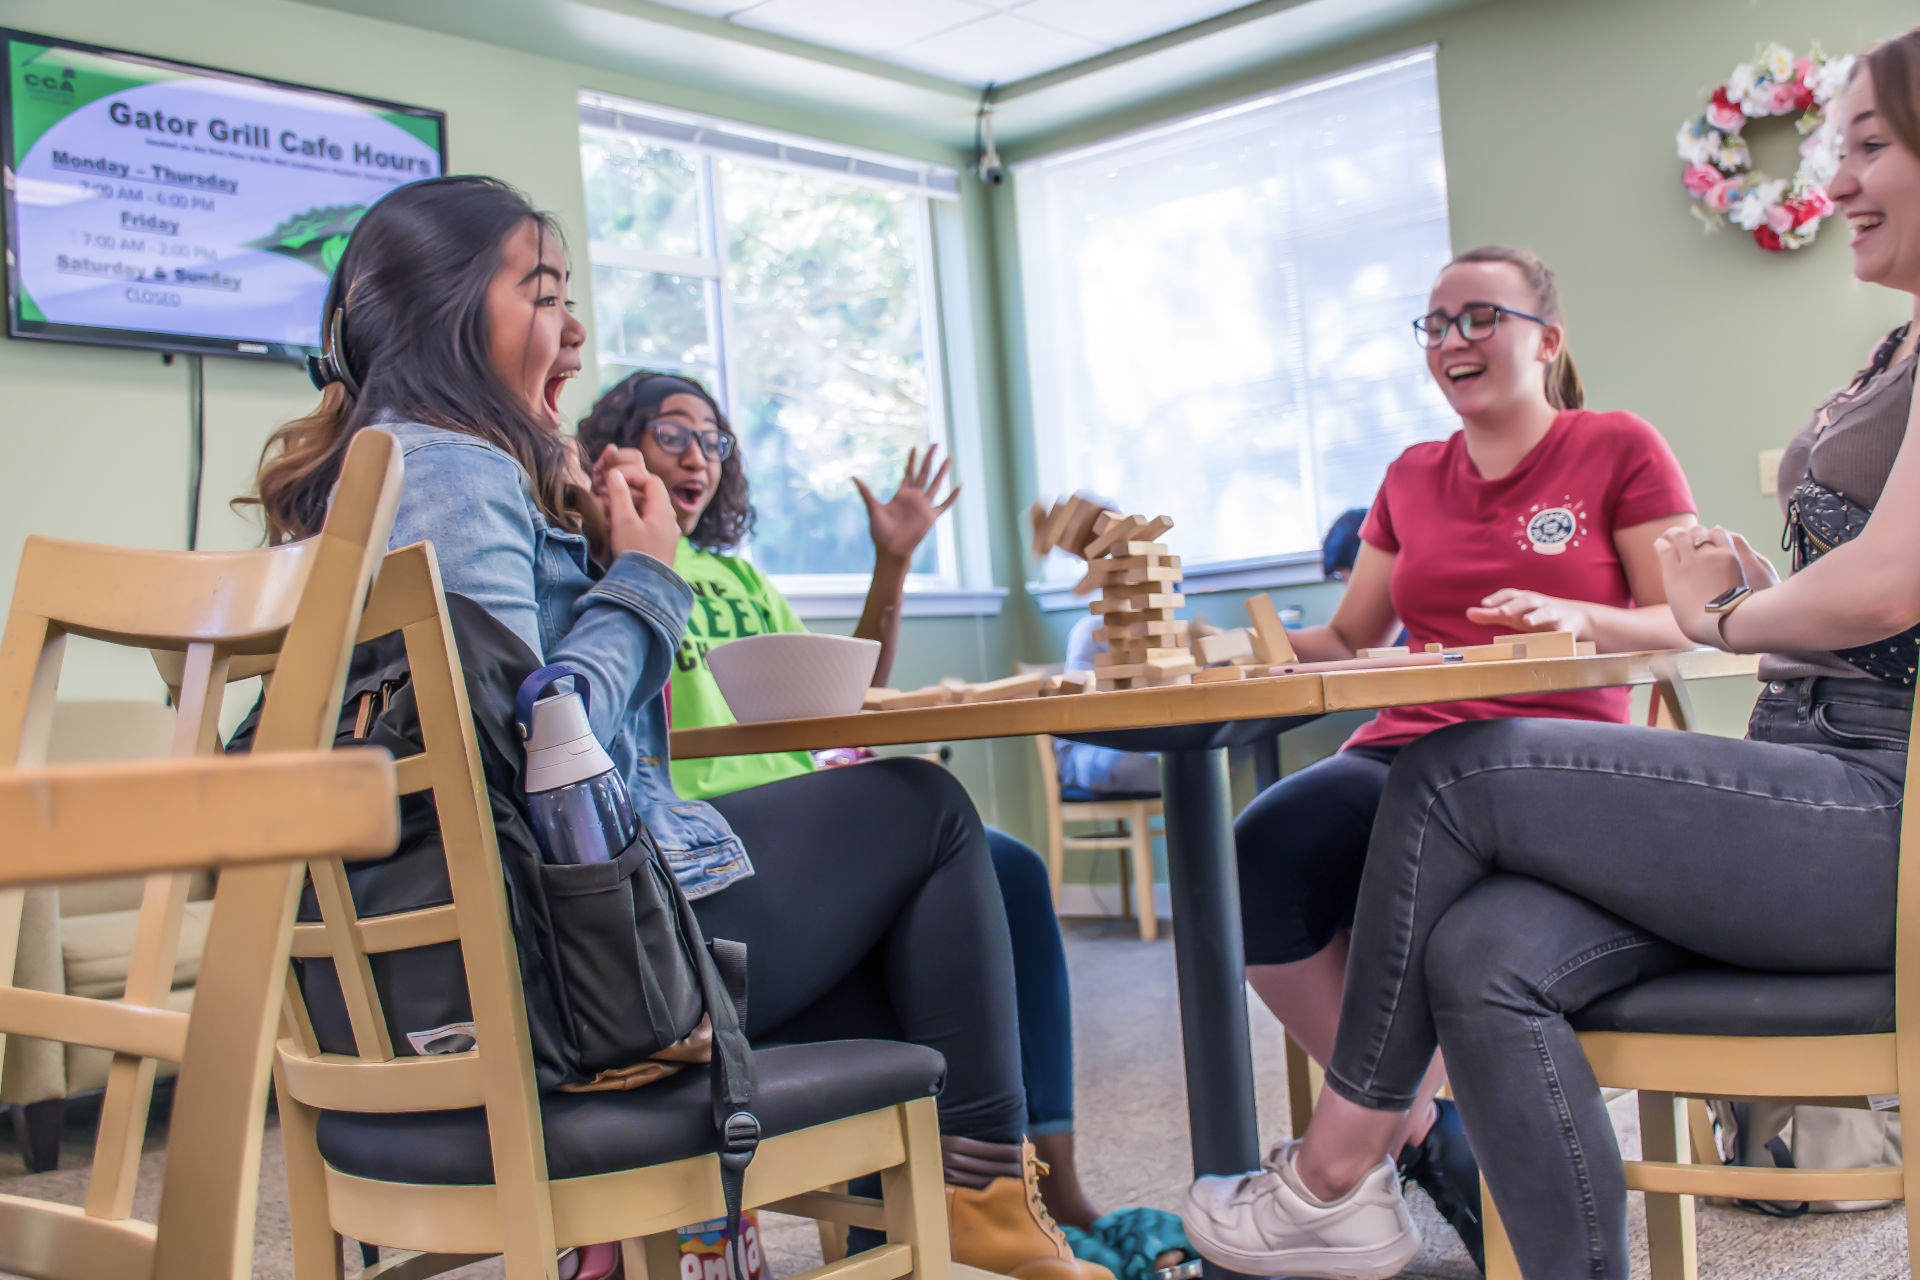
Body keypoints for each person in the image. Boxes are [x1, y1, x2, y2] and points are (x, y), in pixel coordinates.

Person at [239, 175, 1111, 1280]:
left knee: (905, 929)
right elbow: (532, 745)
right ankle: (980, 1193)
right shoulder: (447, 469)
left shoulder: (359, 487)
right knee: (925, 807)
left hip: (476, 972)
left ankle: (932, 1209)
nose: (577, 328)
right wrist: (646, 577)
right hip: (548, 980)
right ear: (450, 311)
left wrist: (593, 557)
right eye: (545, 294)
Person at [1180, 30, 1920, 1280]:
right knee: (1482, 949)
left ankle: (1329, 1172)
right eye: (1834, 147)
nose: (1834, 179)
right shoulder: (1892, 350)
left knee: (1462, 771)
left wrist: (1715, 616)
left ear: (1545, 336)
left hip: (1876, 809)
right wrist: (1750, 584)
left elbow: (1888, 586)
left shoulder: (1615, 441)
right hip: (1803, 771)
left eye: (1870, 146)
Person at [577, 374, 1190, 1271]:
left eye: (714, 442)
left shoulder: (741, 574)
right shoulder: (626, 557)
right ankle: (934, 1195)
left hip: (799, 812)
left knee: (1009, 869)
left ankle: (1045, 1186)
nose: (699, 458)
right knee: (933, 824)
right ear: (621, 446)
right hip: (715, 839)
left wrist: (893, 563)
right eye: (674, 435)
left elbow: (842, 692)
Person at [1227, 245, 1700, 1270]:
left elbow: (1688, 614)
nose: (1452, 341)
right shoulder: (1410, 473)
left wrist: (1575, 613)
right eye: (1434, 325)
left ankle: (1370, 1146)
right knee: (1262, 846)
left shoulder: (1616, 445)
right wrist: (1228, 639)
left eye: (1479, 316)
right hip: (1407, 742)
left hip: (1549, 760)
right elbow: (1353, 637)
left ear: (1547, 338)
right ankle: (1417, 1125)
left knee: (1430, 880)